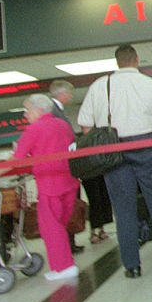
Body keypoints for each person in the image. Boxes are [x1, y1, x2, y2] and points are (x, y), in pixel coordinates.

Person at [76, 44, 152, 278]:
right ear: (137, 59)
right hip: (147, 146)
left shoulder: (99, 86)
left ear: (117, 62)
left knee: (123, 208)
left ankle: (132, 266)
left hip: (112, 149)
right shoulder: (150, 85)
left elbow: (85, 126)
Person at [0, 95, 80, 280]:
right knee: (61, 226)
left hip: (49, 184)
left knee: (51, 227)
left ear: (39, 110)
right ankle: (64, 264)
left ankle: (63, 267)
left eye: (27, 110)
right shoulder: (63, 125)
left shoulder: (35, 129)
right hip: (70, 181)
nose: (25, 115)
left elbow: (15, 159)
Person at [51, 79, 112, 246]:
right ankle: (72, 240)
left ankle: (75, 239)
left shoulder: (58, 112)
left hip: (82, 168)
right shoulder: (54, 113)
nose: (70, 97)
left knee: (96, 199)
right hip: (72, 168)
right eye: (69, 93)